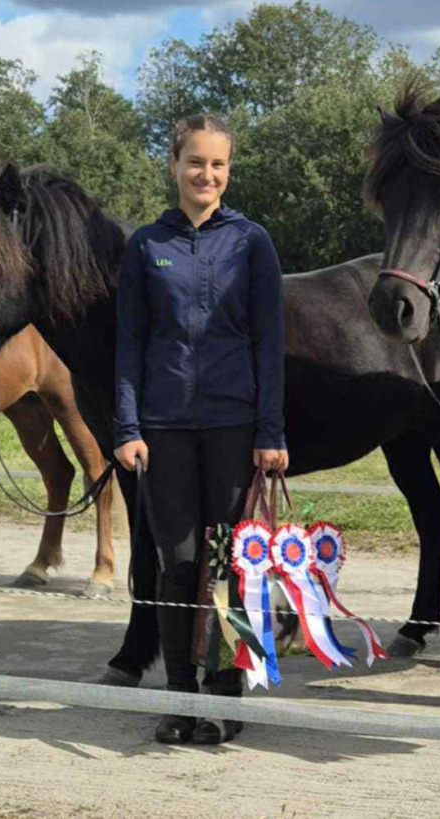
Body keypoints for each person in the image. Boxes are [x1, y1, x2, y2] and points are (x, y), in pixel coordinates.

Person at [113, 113, 288, 745]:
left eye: (217, 164)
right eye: (195, 162)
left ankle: (225, 696)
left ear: (228, 171)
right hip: (163, 430)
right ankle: (180, 698)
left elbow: (269, 343)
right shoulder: (145, 245)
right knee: (177, 565)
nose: (206, 174)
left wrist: (271, 431)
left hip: (233, 426)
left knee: (231, 566)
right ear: (174, 165)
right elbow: (129, 344)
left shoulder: (252, 242)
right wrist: (127, 426)